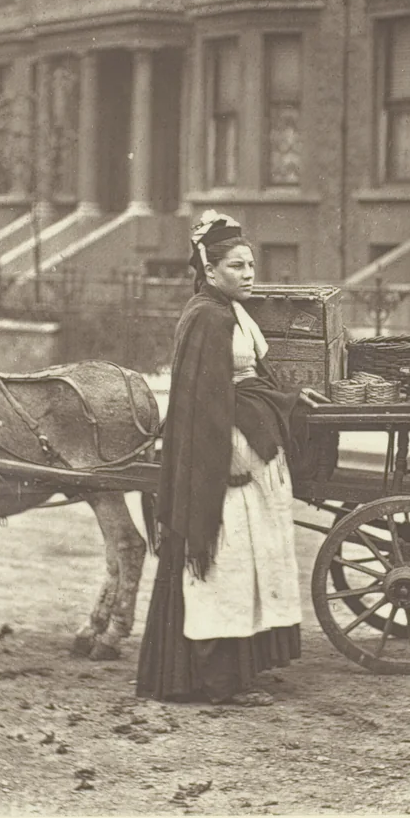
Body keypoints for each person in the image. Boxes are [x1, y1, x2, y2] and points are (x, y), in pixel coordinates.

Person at [136, 210, 325, 707]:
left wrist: (288, 402)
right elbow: (201, 404)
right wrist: (221, 465)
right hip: (223, 466)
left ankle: (241, 670)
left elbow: (249, 381)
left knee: (250, 563)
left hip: (246, 454)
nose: (249, 274)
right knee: (224, 565)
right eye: (238, 266)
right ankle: (217, 680)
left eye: (251, 265)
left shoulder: (232, 311)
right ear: (210, 268)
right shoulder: (206, 317)